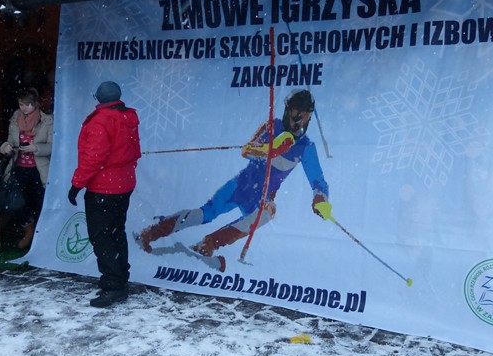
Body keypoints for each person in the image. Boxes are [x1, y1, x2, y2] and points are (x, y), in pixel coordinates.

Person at [135, 89, 331, 267]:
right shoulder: (273, 126)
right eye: (297, 114)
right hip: (241, 185)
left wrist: (320, 198)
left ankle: (208, 244)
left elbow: (318, 181)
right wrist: (268, 149)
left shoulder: (306, 147)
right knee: (206, 214)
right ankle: (152, 232)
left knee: (267, 212)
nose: (300, 121)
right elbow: (246, 150)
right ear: (288, 111)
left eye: (305, 117)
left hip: (261, 196)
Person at [68, 81, 141, 308]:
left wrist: (76, 185)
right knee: (116, 232)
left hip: (104, 187)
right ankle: (118, 279)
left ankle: (114, 285)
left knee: (102, 236)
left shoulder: (102, 120)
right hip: (123, 184)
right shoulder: (127, 117)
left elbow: (94, 158)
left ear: (99, 98)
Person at [0, 87, 53, 249]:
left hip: (39, 170)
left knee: (40, 202)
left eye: (28, 104)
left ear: (35, 104)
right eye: (21, 104)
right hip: (18, 167)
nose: (24, 108)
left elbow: (52, 147)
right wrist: (6, 147)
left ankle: (43, 237)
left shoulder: (46, 120)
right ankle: (29, 229)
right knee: (16, 202)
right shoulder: (15, 118)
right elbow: (9, 141)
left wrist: (35, 148)